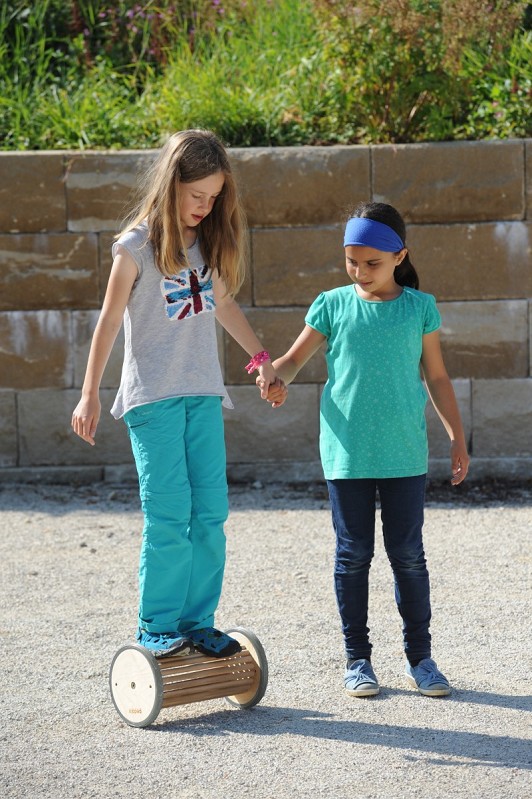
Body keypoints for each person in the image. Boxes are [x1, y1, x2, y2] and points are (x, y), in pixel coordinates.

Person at [72, 129, 286, 659]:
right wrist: (89, 394)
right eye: (197, 196)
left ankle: (196, 621)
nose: (205, 206)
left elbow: (225, 306)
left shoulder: (206, 245)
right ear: (171, 185)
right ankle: (157, 624)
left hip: (202, 396)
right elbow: (107, 323)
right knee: (169, 514)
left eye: (214, 198)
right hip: (153, 401)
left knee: (210, 512)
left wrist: (262, 363)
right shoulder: (135, 247)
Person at [260, 201, 469, 697]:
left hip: (403, 455)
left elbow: (436, 378)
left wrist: (457, 437)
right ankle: (358, 660)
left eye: (371, 263)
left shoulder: (420, 308)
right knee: (352, 556)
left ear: (401, 256)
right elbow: (291, 359)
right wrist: (274, 377)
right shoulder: (331, 304)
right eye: (351, 261)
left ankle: (421, 659)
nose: (359, 271)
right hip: (346, 454)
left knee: (408, 556)